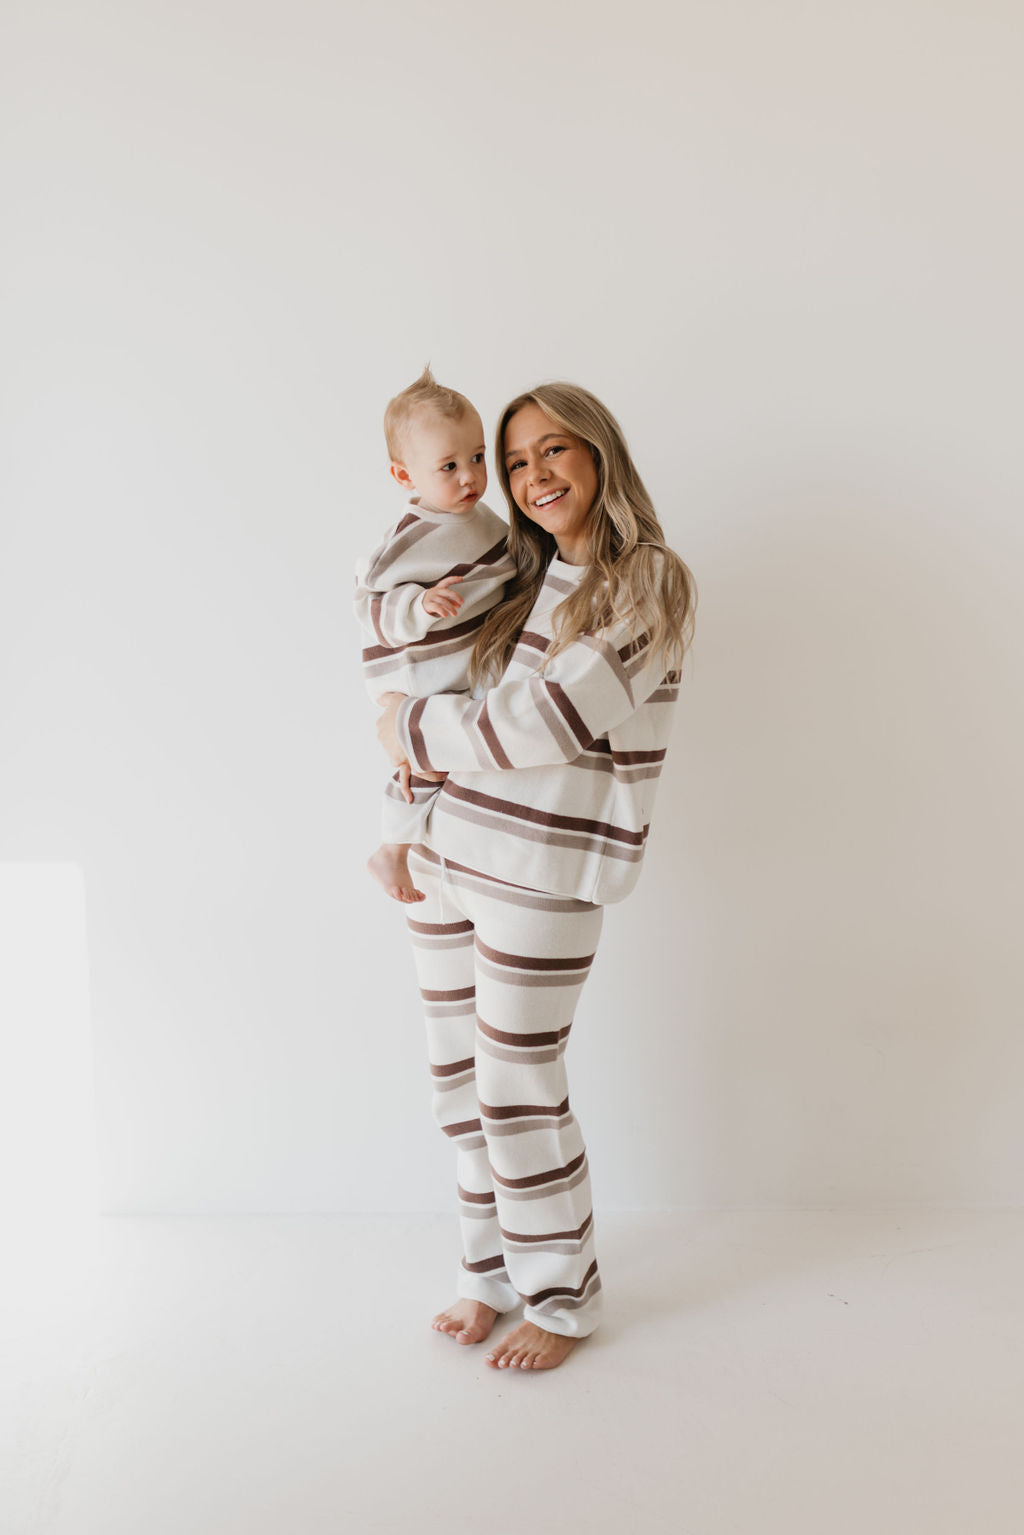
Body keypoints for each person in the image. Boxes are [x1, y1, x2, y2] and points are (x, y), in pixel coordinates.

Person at [376, 382, 697, 1371]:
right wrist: (400, 821)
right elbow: (426, 667)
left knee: (518, 1086)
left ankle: (560, 1298)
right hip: (446, 859)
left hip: (541, 876)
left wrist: (408, 727)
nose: (533, 474)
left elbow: (545, 722)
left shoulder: (647, 582)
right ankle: (487, 1275)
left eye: (555, 449)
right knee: (458, 1087)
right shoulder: (520, 576)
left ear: (600, 454)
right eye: (515, 462)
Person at [354, 368, 515, 902]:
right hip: (424, 671)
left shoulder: (482, 519)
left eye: (476, 457)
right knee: (427, 754)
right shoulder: (408, 540)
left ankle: (436, 843)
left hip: (467, 662)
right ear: (405, 477)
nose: (470, 476)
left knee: (460, 751)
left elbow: (506, 565)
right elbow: (371, 604)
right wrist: (418, 605)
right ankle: (392, 850)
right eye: (449, 466)